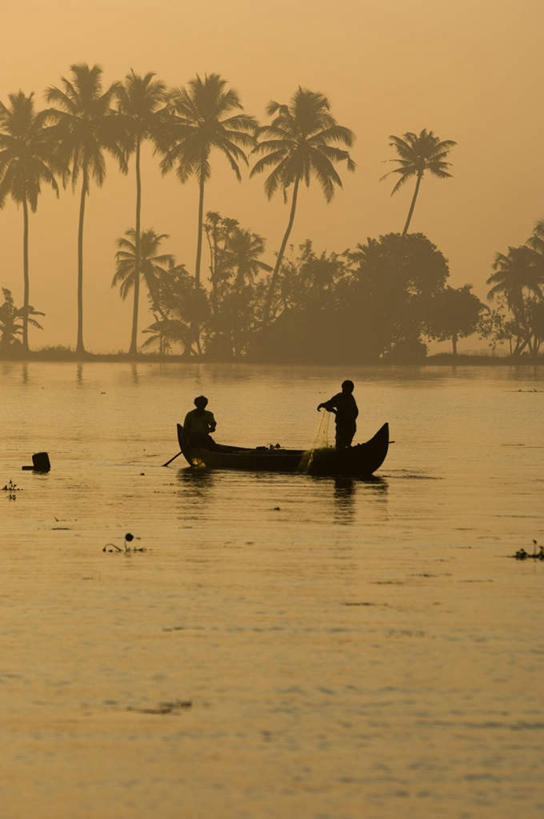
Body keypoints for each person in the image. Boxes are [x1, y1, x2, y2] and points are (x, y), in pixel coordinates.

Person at [317, 380, 358, 449]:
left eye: (349, 388)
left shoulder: (350, 399)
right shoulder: (339, 396)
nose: (346, 390)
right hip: (341, 426)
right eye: (344, 388)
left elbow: (349, 415)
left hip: (349, 426)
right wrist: (322, 405)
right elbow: (331, 403)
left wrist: (333, 411)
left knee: (344, 445)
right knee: (340, 445)